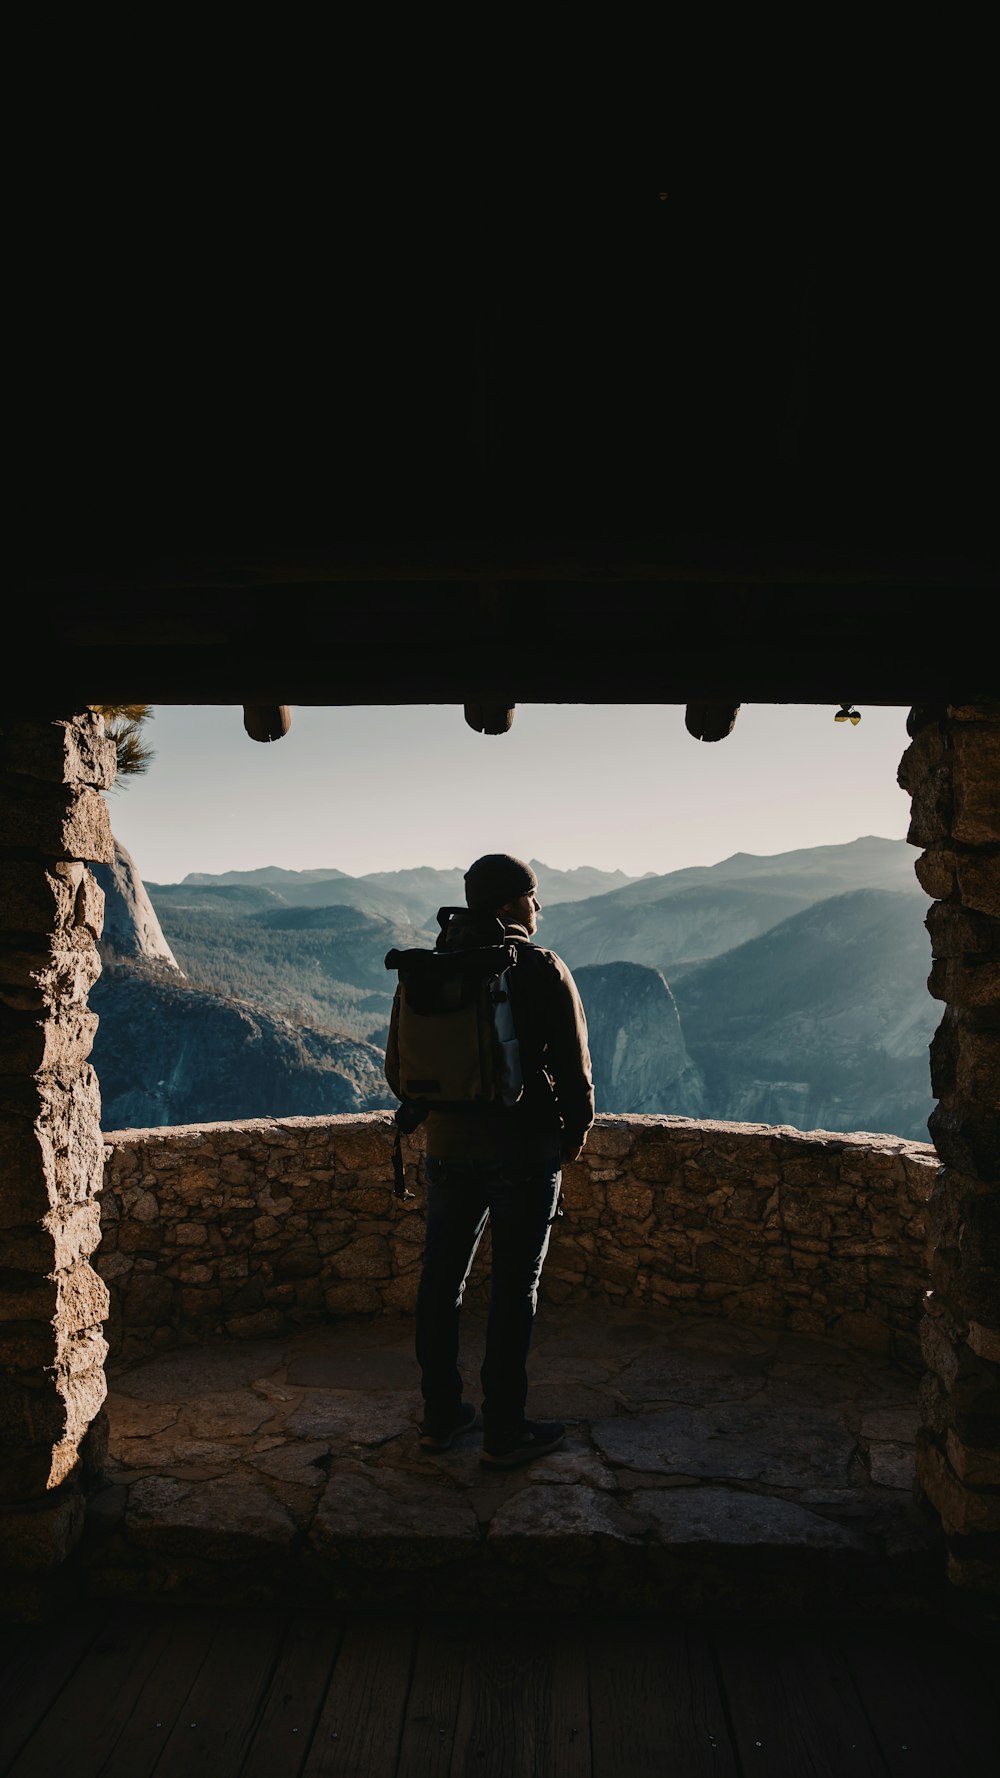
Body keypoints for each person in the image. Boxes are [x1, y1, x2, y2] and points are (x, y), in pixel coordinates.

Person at [384, 853, 595, 1468]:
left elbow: (403, 1069)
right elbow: (577, 1076)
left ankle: (440, 1415)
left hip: (446, 1150)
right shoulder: (540, 968)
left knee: (440, 1281)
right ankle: (505, 1428)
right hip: (525, 1155)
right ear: (508, 904)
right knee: (513, 1290)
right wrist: (572, 1135)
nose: (539, 906)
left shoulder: (432, 967)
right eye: (534, 896)